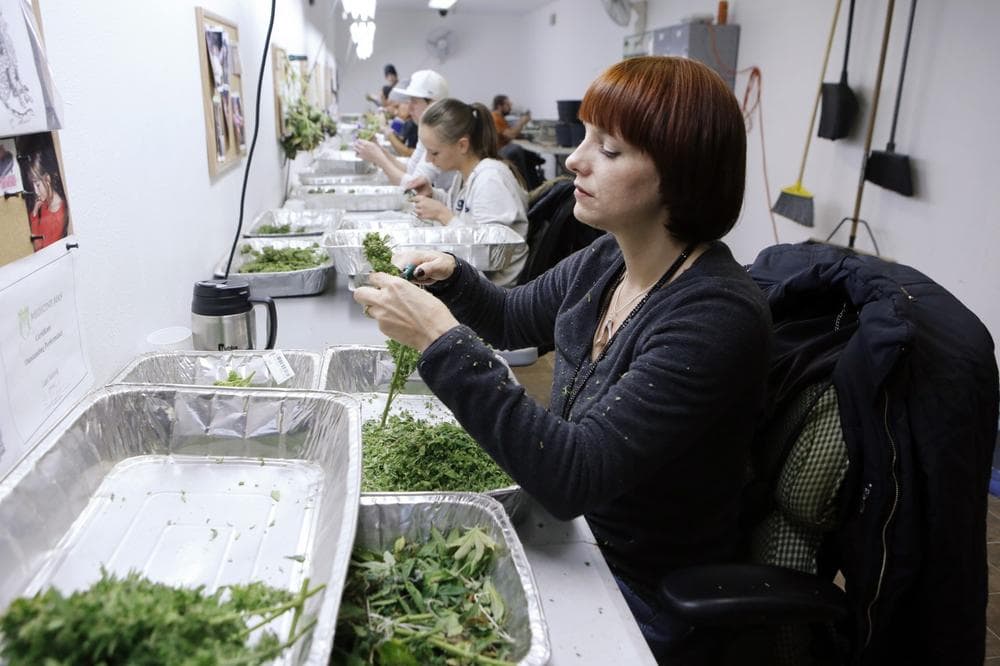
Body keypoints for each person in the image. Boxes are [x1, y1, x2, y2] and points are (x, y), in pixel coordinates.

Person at [353, 56, 772, 661]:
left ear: (680, 175)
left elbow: (572, 477)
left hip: (634, 586)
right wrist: (453, 280)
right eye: (583, 138)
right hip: (571, 535)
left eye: (609, 149)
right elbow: (510, 317)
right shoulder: (610, 258)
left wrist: (440, 341)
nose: (575, 160)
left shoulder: (715, 317)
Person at [406, 98, 528, 286]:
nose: (429, 160)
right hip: (474, 280)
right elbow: (464, 210)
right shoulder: (464, 175)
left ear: (462, 145)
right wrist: (434, 196)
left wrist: (442, 214)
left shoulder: (490, 180)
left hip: (495, 293)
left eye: (434, 152)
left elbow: (488, 251)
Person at [353, 69, 454, 189]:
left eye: (414, 102)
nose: (409, 108)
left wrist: (379, 158)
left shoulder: (441, 136)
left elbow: (416, 186)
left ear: (433, 105)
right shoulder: (425, 132)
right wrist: (380, 151)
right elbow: (410, 170)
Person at [492, 94, 543, 190]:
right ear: (500, 106)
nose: (510, 107)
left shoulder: (500, 118)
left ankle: (535, 185)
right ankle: (527, 187)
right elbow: (510, 135)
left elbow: (509, 134)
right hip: (497, 152)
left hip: (503, 148)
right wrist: (522, 122)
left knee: (528, 153)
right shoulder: (495, 117)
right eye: (508, 105)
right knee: (517, 150)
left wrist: (525, 137)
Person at [26, 152, 69, 252]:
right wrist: (35, 211)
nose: (36, 192)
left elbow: (37, 247)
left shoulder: (58, 215)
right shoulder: (45, 203)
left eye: (37, 185)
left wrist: (35, 215)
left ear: (47, 178)